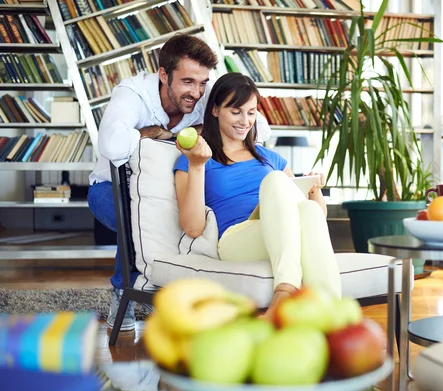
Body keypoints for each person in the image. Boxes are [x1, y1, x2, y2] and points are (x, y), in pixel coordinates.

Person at [87, 34, 272, 331]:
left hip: (172, 188)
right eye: (187, 82)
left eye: (202, 83)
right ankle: (126, 291)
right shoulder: (133, 93)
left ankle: (184, 288)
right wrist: (153, 133)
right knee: (139, 217)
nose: (196, 92)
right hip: (109, 190)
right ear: (163, 74)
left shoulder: (203, 91)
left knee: (189, 218)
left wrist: (200, 128)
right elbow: (111, 144)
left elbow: (260, 128)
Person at [173, 73, 341, 318]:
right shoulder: (194, 158)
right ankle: (285, 290)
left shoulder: (268, 156)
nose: (245, 121)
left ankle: (332, 319)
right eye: (236, 111)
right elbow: (193, 227)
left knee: (309, 209)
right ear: (216, 110)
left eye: (251, 113)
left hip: (281, 232)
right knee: (275, 180)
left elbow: (315, 216)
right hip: (237, 238)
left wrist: (314, 189)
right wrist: (198, 165)